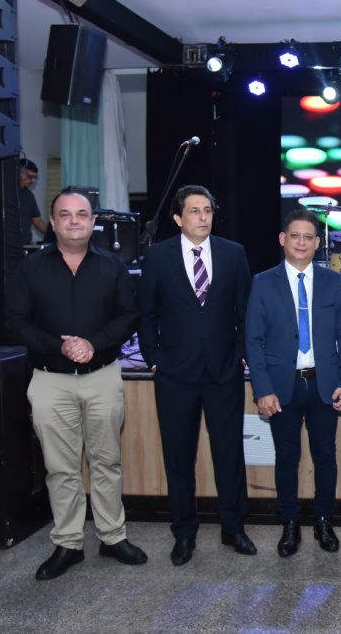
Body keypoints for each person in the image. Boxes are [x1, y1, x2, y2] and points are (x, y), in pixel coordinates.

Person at [6, 187, 146, 580]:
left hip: (102, 378)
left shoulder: (113, 266)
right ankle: (68, 544)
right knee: (60, 468)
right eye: (65, 215)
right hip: (49, 381)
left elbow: (129, 315)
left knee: (106, 462)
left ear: (93, 222)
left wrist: (93, 344)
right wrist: (61, 346)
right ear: (52, 223)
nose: (74, 221)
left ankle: (112, 536)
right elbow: (15, 321)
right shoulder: (30, 268)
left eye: (81, 214)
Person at [138, 185, 255, 566]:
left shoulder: (233, 253)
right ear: (178, 218)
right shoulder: (157, 257)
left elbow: (245, 312)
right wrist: (155, 360)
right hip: (174, 374)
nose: (203, 217)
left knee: (229, 454)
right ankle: (184, 533)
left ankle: (233, 527)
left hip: (223, 372)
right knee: (179, 458)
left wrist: (240, 356)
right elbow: (146, 315)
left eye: (207, 210)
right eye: (194, 211)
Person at [245, 209, 341, 557]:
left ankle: (323, 521)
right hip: (281, 387)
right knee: (286, 457)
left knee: (325, 455)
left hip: (324, 385)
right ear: (283, 239)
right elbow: (253, 341)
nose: (301, 243)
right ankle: (290, 523)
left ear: (317, 243)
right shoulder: (263, 282)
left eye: (308, 237)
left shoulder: (333, 282)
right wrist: (262, 389)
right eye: (295, 235)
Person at [18, 159, 48, 245]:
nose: (33, 180)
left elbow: (37, 221)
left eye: (34, 177)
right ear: (19, 173)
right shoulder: (3, 194)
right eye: (30, 176)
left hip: (25, 245)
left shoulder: (28, 195)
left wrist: (56, 236)